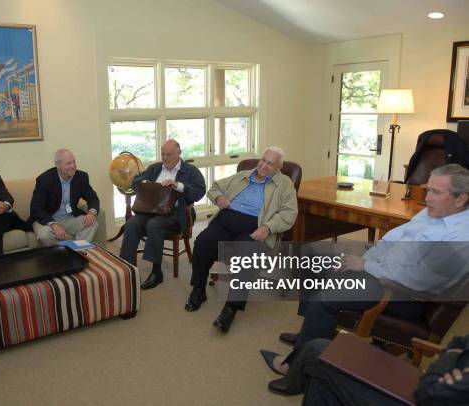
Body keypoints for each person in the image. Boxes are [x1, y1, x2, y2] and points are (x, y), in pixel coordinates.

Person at [264, 164, 469, 374]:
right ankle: (309, 334)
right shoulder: (432, 213)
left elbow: (415, 280)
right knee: (311, 260)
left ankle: (298, 367)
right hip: (382, 271)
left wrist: (365, 266)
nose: (427, 198)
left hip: (402, 294)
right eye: (428, 190)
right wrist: (365, 260)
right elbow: (390, 239)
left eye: (435, 192)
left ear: (460, 199)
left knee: (327, 296)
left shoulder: (459, 239)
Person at [185, 146, 298, 333]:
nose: (263, 165)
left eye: (270, 163)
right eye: (263, 160)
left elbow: (289, 213)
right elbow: (214, 188)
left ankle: (231, 307)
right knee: (203, 241)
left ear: (280, 166)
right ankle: (198, 289)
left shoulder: (285, 185)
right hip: (226, 220)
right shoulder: (243, 175)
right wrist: (219, 197)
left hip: (255, 227)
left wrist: (268, 227)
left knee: (245, 254)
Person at [261, 334, 469, 405]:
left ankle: (292, 374)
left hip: (412, 398)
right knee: (322, 376)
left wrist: (451, 357)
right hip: (417, 382)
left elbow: (429, 391)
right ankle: (294, 372)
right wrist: (451, 363)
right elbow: (459, 340)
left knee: (319, 351)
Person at [119, 140, 206, 290]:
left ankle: (156, 271)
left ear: (179, 153)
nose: (165, 158)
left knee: (154, 225)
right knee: (132, 223)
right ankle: (127, 270)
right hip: (151, 211)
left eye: (169, 154)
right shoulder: (154, 168)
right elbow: (136, 181)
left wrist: (177, 185)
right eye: (163, 154)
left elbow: (199, 192)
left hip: (177, 215)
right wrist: (145, 182)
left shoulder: (190, 171)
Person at [30, 149, 100, 246]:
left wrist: (92, 213)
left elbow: (92, 198)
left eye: (74, 162)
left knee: (93, 224)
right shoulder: (45, 180)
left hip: (69, 218)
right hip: (46, 219)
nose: (73, 166)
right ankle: (64, 255)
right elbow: (36, 208)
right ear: (58, 165)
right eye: (68, 163)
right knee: (44, 235)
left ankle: (77, 251)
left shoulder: (81, 177)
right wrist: (53, 224)